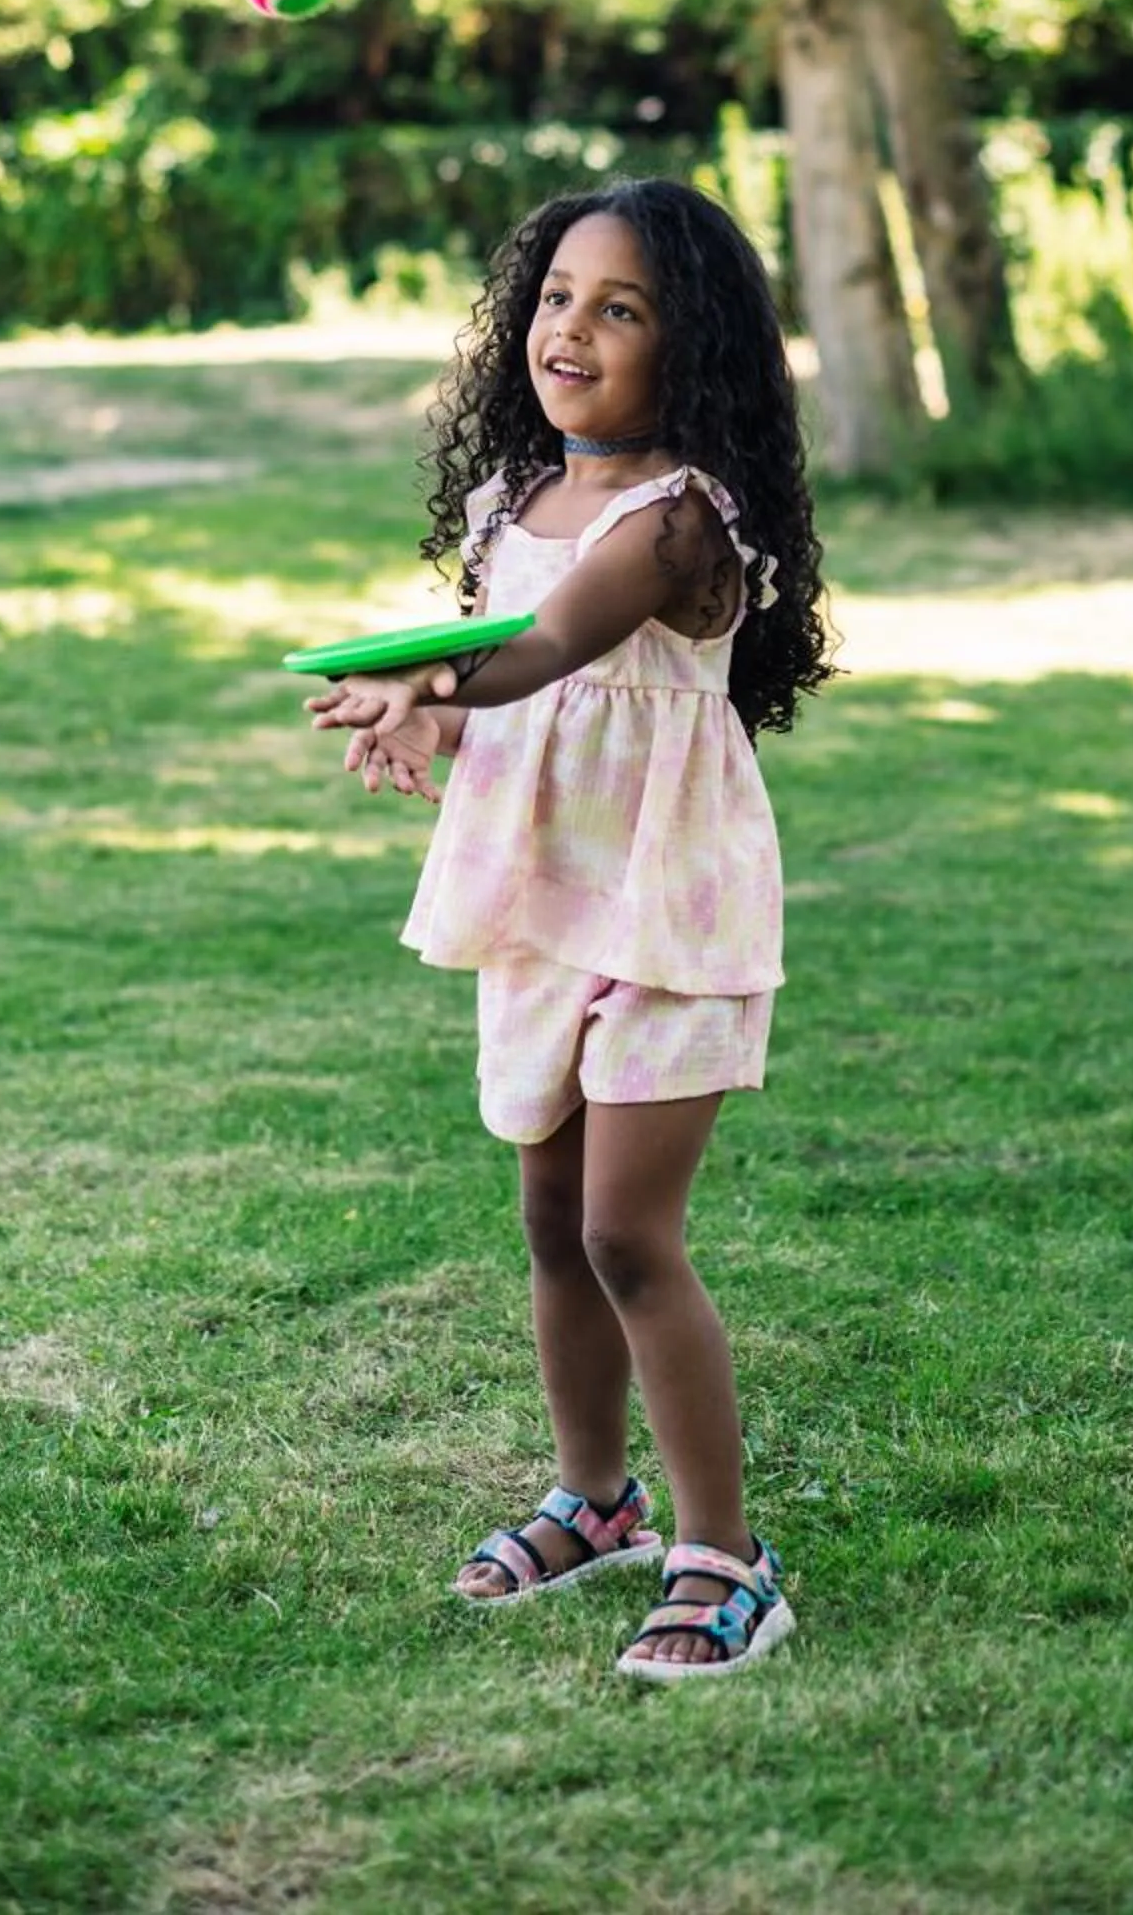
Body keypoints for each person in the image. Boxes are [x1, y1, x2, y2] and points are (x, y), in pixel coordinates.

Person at [307, 178, 834, 1681]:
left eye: (622, 309)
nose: (572, 330)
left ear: (699, 349)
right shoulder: (511, 505)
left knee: (624, 1229)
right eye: (555, 298)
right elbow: (500, 674)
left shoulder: (678, 523)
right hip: (548, 898)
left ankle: (726, 1557)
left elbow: (547, 647)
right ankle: (595, 1502)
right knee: (549, 1217)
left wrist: (441, 683)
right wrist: (414, 708)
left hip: (671, 904)